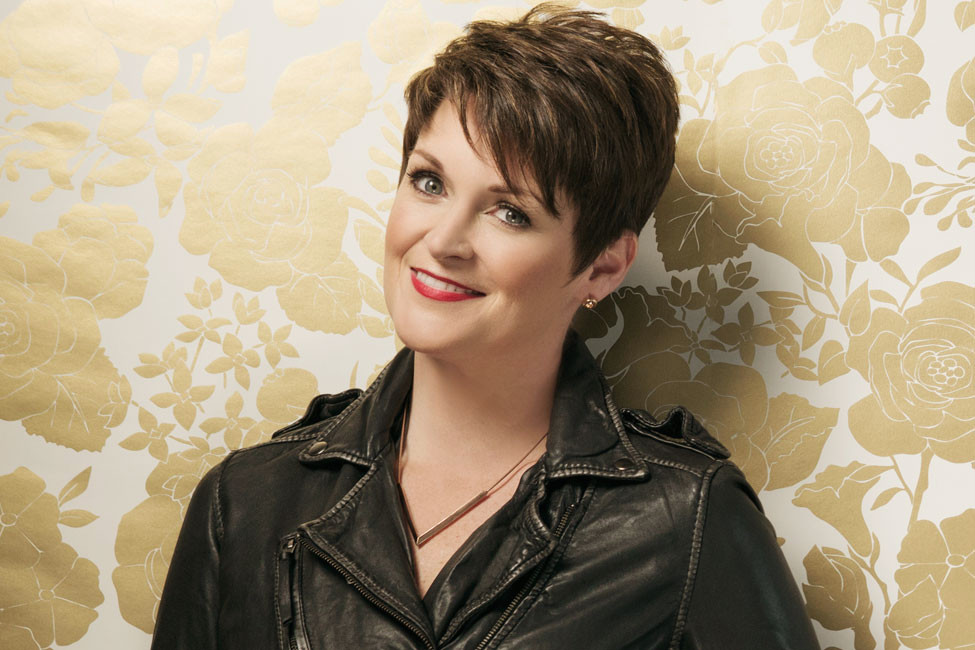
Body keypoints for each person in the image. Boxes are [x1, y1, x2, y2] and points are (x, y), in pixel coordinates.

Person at [151, 4, 821, 649]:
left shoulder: (686, 521)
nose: (443, 241)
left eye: (510, 213)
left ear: (602, 266)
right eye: (429, 182)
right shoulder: (244, 504)